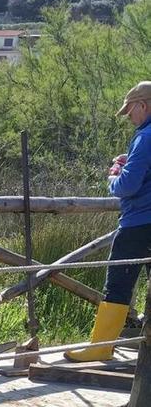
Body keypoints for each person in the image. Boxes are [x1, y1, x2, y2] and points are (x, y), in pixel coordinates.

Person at [65, 81, 151, 362]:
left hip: (138, 223)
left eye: (130, 111)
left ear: (143, 105)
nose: (129, 117)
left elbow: (127, 186)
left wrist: (113, 177)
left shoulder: (145, 137)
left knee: (117, 284)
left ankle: (101, 347)